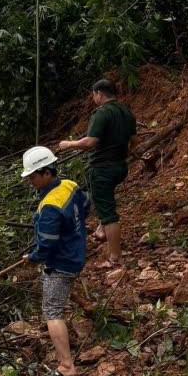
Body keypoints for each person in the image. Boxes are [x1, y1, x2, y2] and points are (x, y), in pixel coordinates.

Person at [21, 146, 89, 376]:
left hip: (61, 263)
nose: (31, 181)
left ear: (46, 172)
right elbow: (85, 205)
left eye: (33, 176)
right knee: (56, 307)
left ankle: (66, 367)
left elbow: (47, 244)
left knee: (52, 311)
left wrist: (32, 257)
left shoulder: (50, 205)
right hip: (76, 253)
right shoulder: (69, 185)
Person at [58, 79, 138, 266]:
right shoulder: (126, 112)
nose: (93, 98)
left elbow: (89, 143)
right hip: (120, 167)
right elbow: (134, 141)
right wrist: (124, 156)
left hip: (103, 168)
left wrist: (68, 144)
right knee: (105, 199)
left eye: (93, 94)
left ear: (99, 94)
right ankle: (101, 230)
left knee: (108, 213)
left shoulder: (102, 113)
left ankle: (115, 257)